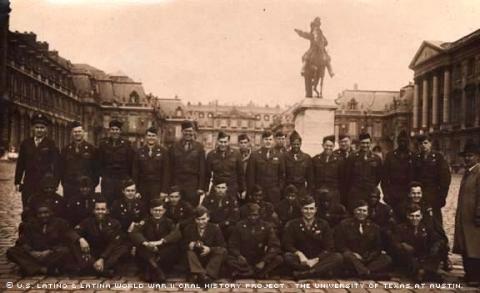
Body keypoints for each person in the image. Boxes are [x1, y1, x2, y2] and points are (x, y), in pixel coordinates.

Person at [7, 202, 75, 276]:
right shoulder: (30, 224)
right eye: (40, 213)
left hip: (51, 255)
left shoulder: (61, 223)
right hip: (34, 255)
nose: (43, 215)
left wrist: (50, 251)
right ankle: (42, 269)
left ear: (51, 212)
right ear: (36, 214)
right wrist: (32, 252)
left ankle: (30, 267)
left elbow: (64, 241)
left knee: (65, 251)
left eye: (46, 213)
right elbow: (22, 241)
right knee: (11, 251)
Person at [283, 196, 343, 279]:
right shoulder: (293, 224)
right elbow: (287, 244)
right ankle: (317, 272)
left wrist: (316, 259)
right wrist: (299, 254)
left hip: (318, 259)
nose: (309, 212)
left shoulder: (323, 224)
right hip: (301, 260)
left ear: (315, 210)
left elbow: (329, 246)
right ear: (301, 209)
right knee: (287, 256)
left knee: (338, 257)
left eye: (311, 209)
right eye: (306, 209)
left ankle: (307, 273)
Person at [72, 197, 129, 277]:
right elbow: (73, 232)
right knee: (75, 243)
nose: (100, 212)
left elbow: (114, 243)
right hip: (92, 252)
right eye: (97, 209)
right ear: (94, 211)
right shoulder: (87, 222)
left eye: (103, 209)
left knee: (123, 247)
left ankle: (96, 268)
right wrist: (80, 239)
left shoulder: (115, 223)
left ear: (107, 211)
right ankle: (100, 269)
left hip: (107, 253)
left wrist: (102, 258)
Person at [335, 200, 392, 278]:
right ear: (354, 211)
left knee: (386, 258)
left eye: (364, 211)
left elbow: (378, 247)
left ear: (368, 213)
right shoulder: (344, 224)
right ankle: (369, 274)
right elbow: (340, 245)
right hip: (352, 258)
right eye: (359, 210)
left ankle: (362, 272)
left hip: (368, 259)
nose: (361, 213)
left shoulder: (374, 227)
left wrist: (369, 256)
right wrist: (353, 254)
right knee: (346, 255)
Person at [15, 113, 60, 207]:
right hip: (29, 182)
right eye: (37, 127)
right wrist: (17, 181)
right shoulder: (26, 143)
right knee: (27, 207)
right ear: (33, 128)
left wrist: (55, 183)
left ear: (46, 129)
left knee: (43, 208)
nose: (39, 130)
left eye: (42, 127)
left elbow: (57, 165)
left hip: (44, 184)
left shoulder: (51, 144)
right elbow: (20, 164)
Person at [130, 198, 181, 282]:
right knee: (140, 247)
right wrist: (146, 243)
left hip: (162, 249)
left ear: (164, 211)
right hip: (148, 249)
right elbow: (134, 232)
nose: (157, 213)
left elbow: (177, 234)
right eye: (155, 210)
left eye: (160, 210)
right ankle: (157, 270)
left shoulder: (168, 222)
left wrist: (161, 241)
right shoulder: (145, 221)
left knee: (173, 247)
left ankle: (150, 270)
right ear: (151, 211)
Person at [227, 203, 283, 279]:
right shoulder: (239, 225)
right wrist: (238, 255)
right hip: (244, 258)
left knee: (278, 259)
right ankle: (257, 273)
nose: (252, 218)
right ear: (247, 215)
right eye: (250, 215)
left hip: (260, 257)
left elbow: (274, 245)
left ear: (259, 215)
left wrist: (264, 261)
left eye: (255, 215)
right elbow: (232, 244)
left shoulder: (267, 226)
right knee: (229, 259)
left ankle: (248, 273)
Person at [392, 204, 446, 282]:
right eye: (412, 216)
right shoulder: (400, 228)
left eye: (417, 216)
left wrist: (435, 246)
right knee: (407, 257)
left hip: (424, 257)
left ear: (421, 216)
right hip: (409, 258)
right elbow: (394, 242)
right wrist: (403, 245)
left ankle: (423, 272)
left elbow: (438, 239)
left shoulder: (426, 228)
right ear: (407, 216)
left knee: (438, 250)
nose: (414, 219)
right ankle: (427, 273)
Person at [453, 142, 480, 286]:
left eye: (471, 156)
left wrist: (478, 215)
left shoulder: (479, 172)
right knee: (465, 246)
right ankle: (468, 274)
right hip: (464, 217)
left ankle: (476, 276)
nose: (468, 158)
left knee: (475, 247)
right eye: (466, 156)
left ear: (478, 157)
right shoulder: (468, 172)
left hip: (474, 219)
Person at [413, 134, 451, 225]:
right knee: (421, 220)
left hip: (434, 195)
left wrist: (442, 197)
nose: (423, 146)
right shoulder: (416, 158)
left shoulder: (438, 157)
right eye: (420, 144)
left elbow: (445, 179)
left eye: (425, 143)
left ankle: (438, 238)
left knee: (435, 221)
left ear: (430, 143)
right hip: (420, 196)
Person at [182, 206, 227, 284]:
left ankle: (207, 275)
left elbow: (222, 246)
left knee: (222, 251)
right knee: (189, 252)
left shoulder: (214, 228)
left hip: (210, 259)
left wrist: (210, 249)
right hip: (195, 260)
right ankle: (201, 274)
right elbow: (181, 246)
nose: (201, 222)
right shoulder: (189, 228)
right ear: (195, 219)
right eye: (198, 219)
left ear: (208, 218)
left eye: (203, 219)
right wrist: (189, 245)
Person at [169, 121, 206, 207]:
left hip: (193, 184)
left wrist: (201, 187)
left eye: (190, 131)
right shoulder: (174, 146)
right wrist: (170, 186)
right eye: (186, 131)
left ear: (193, 132)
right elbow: (169, 168)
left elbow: (202, 168)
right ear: (182, 132)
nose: (188, 133)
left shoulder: (199, 147)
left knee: (192, 209)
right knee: (176, 207)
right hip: (177, 183)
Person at [60, 121, 98, 202]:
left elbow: (96, 169)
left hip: (86, 187)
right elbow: (61, 169)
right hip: (70, 187)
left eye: (79, 131)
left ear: (83, 132)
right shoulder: (66, 150)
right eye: (75, 132)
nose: (77, 134)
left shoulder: (92, 149)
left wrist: (92, 184)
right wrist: (65, 184)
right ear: (72, 133)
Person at [97, 120, 134, 204]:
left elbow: (130, 162)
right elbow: (99, 162)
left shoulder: (126, 144)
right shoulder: (103, 144)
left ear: (120, 131)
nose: (114, 132)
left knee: (120, 201)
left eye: (117, 129)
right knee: (107, 201)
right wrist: (104, 175)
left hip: (122, 179)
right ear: (109, 130)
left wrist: (126, 177)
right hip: (108, 180)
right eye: (112, 129)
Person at [344, 133, 382, 210]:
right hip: (356, 191)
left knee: (369, 212)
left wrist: (371, 185)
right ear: (359, 143)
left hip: (370, 191)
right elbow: (347, 176)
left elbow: (379, 176)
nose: (365, 145)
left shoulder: (376, 158)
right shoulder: (353, 157)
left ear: (370, 143)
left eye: (367, 143)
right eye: (363, 143)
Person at [132, 126, 169, 204]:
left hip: (157, 187)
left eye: (153, 136)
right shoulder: (139, 152)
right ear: (145, 137)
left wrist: (164, 190)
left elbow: (166, 172)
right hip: (142, 187)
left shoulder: (163, 152)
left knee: (156, 209)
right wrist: (136, 190)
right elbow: (135, 172)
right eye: (149, 135)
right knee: (142, 209)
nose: (151, 138)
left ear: (156, 137)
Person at [247, 130, 286, 205]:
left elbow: (282, 174)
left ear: (273, 141)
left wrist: (278, 189)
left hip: (274, 192)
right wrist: (252, 191)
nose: (268, 142)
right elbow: (250, 176)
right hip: (258, 192)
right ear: (262, 140)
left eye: (270, 139)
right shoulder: (255, 155)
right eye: (266, 139)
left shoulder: (279, 155)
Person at [205, 131, 246, 201]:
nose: (223, 144)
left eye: (225, 142)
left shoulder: (236, 154)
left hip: (232, 188)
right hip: (217, 189)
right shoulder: (211, 155)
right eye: (221, 142)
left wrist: (242, 189)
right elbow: (207, 174)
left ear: (228, 142)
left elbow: (241, 174)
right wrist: (206, 189)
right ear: (217, 141)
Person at [381, 130, 414, 218]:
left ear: (408, 142)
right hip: (393, 192)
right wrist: (386, 193)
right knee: (392, 217)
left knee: (406, 217)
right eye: (400, 141)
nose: (402, 143)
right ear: (398, 142)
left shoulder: (413, 156)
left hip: (407, 193)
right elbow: (384, 177)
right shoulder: (390, 156)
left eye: (404, 141)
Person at [312, 135, 346, 204]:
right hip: (319, 192)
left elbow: (342, 179)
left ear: (334, 146)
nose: (328, 148)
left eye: (331, 146)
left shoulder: (339, 160)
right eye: (326, 145)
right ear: (322, 145)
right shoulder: (316, 159)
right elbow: (312, 178)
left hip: (333, 193)